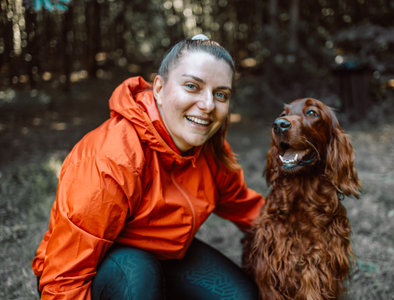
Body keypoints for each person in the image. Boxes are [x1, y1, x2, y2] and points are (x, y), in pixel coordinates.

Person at [32, 34, 264, 300]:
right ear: (159, 89)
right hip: (96, 269)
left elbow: (248, 209)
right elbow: (65, 276)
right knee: (137, 276)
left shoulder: (213, 151)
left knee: (240, 297)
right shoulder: (112, 158)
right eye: (192, 86)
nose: (208, 105)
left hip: (163, 255)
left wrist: (312, 230)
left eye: (221, 94)